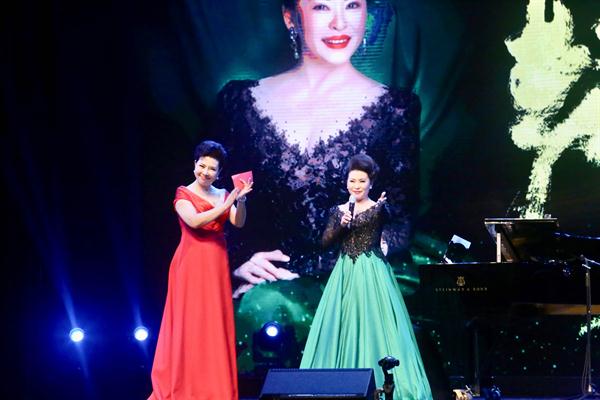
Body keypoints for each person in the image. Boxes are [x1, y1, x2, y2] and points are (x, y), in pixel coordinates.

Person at [217, 0, 420, 295]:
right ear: (290, 17)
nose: (340, 23)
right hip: (263, 293)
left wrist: (343, 267)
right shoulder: (239, 101)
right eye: (322, 7)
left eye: (352, 5)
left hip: (353, 288)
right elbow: (218, 198)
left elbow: (400, 223)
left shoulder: (396, 109)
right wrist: (236, 260)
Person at [300, 154, 432, 399]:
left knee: (374, 322)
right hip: (344, 273)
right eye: (352, 181)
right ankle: (336, 385)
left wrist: (380, 206)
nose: (357, 186)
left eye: (362, 181)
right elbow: (325, 242)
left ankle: (382, 385)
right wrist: (341, 224)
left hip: (372, 273)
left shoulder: (379, 208)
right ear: (346, 183)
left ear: (371, 183)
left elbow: (388, 218)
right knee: (340, 324)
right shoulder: (339, 211)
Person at [149, 140, 253, 400]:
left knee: (213, 324)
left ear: (219, 172)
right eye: (202, 166)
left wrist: (240, 200)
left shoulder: (223, 193)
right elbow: (194, 221)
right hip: (191, 264)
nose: (205, 172)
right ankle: (185, 386)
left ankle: (214, 388)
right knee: (190, 324)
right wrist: (227, 202)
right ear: (195, 164)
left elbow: (238, 222)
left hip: (216, 263)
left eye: (212, 168)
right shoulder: (183, 193)